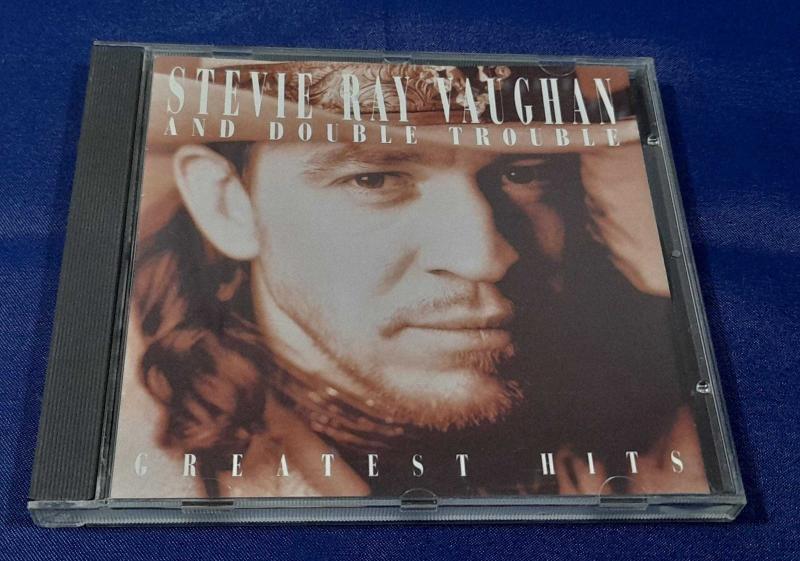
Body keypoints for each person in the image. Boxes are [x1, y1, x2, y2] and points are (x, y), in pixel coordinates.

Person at [110, 59, 710, 499]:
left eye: (524, 174)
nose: (484, 258)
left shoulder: (684, 382)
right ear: (227, 206)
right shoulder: (135, 458)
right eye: (373, 180)